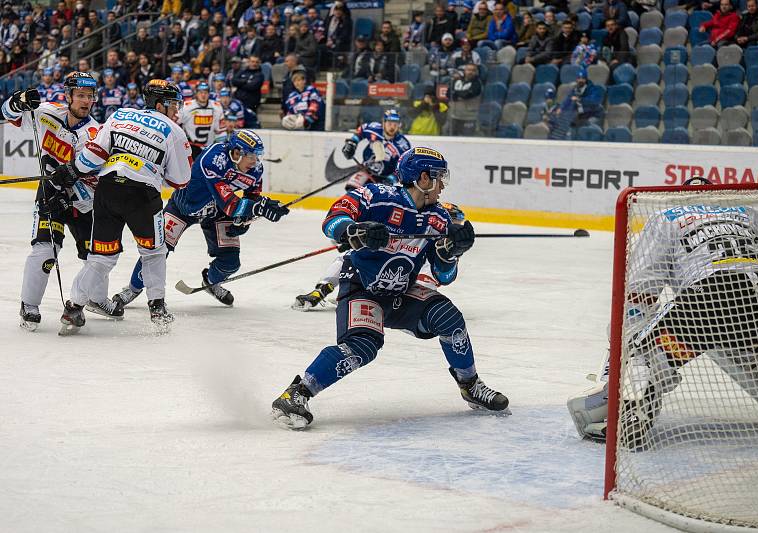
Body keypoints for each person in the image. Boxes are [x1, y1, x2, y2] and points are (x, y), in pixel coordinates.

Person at [272, 147, 509, 430]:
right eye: (439, 177)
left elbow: (443, 275)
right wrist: (352, 230)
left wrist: (452, 252)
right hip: (362, 287)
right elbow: (334, 217)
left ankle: (470, 386)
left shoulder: (440, 219)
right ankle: (296, 394)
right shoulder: (376, 197)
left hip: (401, 292)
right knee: (362, 346)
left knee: (449, 318)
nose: (443, 185)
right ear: (423, 178)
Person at [568, 180, 758, 448]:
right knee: (730, 334)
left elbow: (640, 290)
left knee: (635, 338)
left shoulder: (666, 216)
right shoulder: (744, 211)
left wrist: (634, 330)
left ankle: (633, 409)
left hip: (711, 296)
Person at [51, 80, 193, 334]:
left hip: (108, 191)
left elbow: (94, 153)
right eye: (173, 105)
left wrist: (71, 170)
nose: (176, 111)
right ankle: (157, 308)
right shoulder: (174, 130)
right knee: (154, 253)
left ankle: (73, 309)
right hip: (142, 196)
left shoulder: (121, 114)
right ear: (160, 105)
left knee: (100, 258)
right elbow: (181, 179)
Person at [112, 130, 289, 309]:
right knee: (157, 250)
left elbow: (252, 197)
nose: (255, 161)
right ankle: (133, 288)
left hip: (216, 212)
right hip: (184, 208)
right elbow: (229, 203)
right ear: (236, 153)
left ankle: (210, 282)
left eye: (258, 156)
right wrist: (255, 208)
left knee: (230, 262)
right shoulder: (213, 158)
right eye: (251, 155)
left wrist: (256, 213)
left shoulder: (255, 169)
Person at [0, 73, 111, 330]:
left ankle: (96, 297)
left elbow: (93, 180)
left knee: (96, 255)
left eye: (90, 96)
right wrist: (17, 102)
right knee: (45, 250)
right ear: (68, 96)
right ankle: (29, 304)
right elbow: (7, 114)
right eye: (81, 96)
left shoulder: (95, 134)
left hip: (84, 201)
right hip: (50, 193)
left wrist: (70, 199)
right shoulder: (47, 113)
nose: (86, 101)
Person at [292, 109, 413, 310]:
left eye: (395, 122)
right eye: (389, 122)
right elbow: (359, 132)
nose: (392, 126)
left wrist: (391, 179)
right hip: (366, 170)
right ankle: (351, 226)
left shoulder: (403, 144)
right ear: (383, 122)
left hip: (385, 181)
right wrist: (351, 144)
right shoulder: (373, 129)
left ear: (399, 124)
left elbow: (402, 167)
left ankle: (361, 231)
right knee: (352, 192)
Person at [180, 81, 225, 159]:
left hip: (209, 147)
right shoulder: (186, 107)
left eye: (205, 92)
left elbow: (220, 130)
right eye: (200, 92)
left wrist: (220, 146)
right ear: (196, 93)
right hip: (191, 146)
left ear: (209, 93)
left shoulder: (217, 106)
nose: (203, 95)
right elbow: (175, 125)